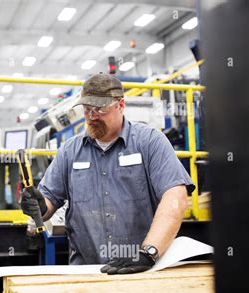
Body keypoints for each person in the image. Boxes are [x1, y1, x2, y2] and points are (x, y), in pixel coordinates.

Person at [20, 73, 195, 274]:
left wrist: (148, 252)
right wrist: (39, 206)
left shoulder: (150, 142)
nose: (92, 116)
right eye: (87, 110)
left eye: (99, 109)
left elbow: (176, 198)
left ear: (120, 105)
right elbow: (49, 202)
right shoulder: (70, 150)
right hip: (87, 272)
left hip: (140, 268)